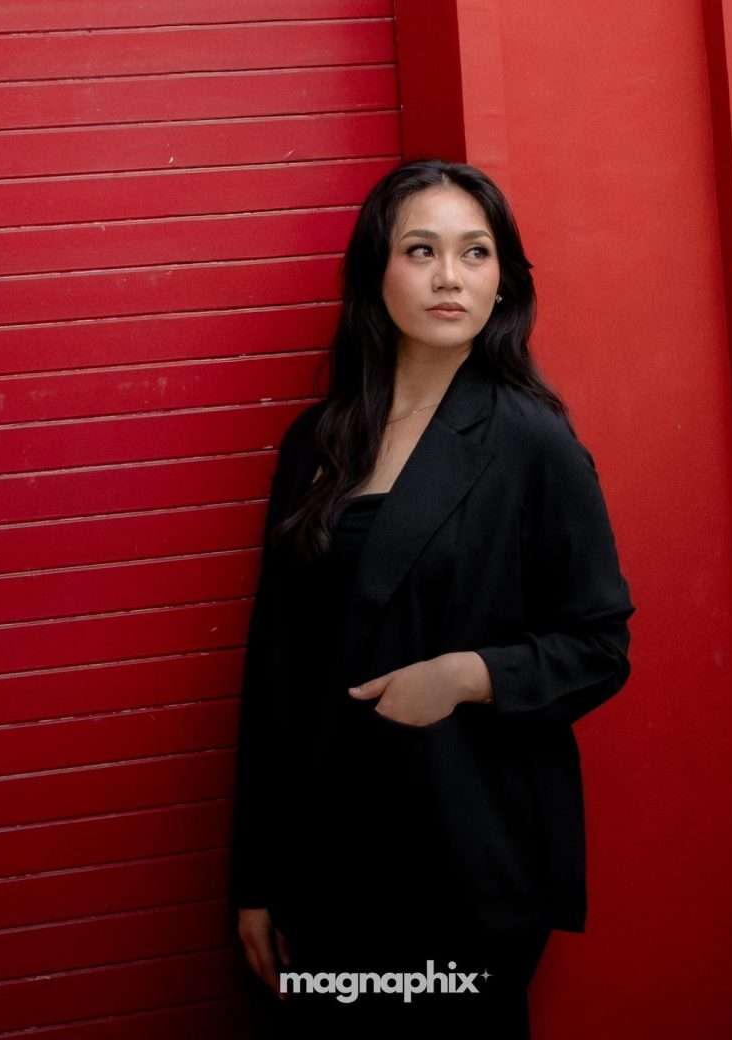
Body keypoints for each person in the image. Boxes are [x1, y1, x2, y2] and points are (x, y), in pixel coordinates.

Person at [231, 157, 632, 1033]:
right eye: (421, 250)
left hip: (464, 852)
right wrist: (256, 878)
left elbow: (600, 644)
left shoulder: (531, 440)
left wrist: (465, 676)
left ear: (503, 281)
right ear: (375, 273)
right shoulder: (316, 441)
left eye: (475, 253)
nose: (450, 276)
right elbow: (276, 671)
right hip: (327, 854)